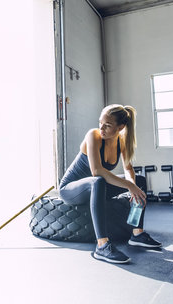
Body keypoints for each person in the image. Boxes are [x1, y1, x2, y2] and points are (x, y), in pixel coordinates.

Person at [59, 104, 161, 264]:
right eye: (101, 123)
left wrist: (133, 185)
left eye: (107, 125)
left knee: (139, 180)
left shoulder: (122, 141)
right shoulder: (93, 135)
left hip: (97, 189)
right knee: (98, 181)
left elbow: (128, 168)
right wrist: (129, 186)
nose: (102, 128)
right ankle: (102, 245)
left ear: (120, 127)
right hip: (71, 189)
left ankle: (137, 232)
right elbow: (97, 171)